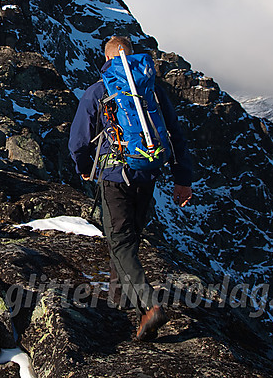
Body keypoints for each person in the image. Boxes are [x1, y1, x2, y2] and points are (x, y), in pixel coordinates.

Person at [68, 36, 192, 341]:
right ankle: (119, 299)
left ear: (107, 58)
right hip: (146, 174)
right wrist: (182, 179)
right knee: (128, 239)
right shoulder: (153, 91)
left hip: (113, 177)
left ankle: (150, 306)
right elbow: (175, 136)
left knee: (120, 242)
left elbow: (78, 142)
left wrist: (84, 168)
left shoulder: (99, 90)